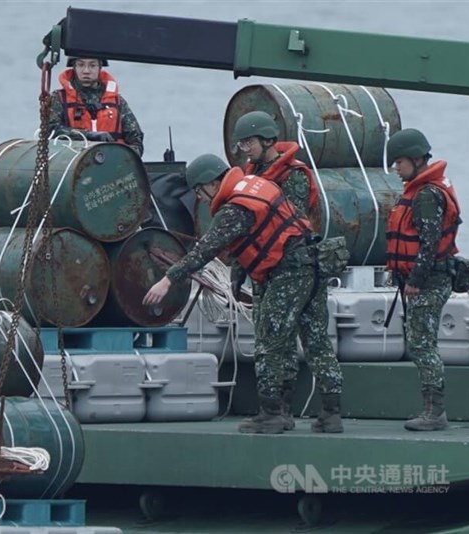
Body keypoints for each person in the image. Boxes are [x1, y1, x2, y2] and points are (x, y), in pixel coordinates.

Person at [142, 158, 344, 434]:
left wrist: (168, 280)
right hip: (312, 266)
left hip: (287, 274)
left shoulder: (235, 208)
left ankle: (272, 413)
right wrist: (238, 278)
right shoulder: (258, 186)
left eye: (200, 191)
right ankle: (331, 414)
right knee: (317, 342)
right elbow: (259, 236)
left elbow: (206, 249)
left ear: (214, 182)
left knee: (270, 344)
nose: (200, 198)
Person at [231, 111, 324, 430]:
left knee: (277, 340)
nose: (245, 149)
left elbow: (293, 228)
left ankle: (278, 409)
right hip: (261, 268)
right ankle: (277, 411)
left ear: (267, 140)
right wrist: (239, 267)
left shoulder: (293, 176)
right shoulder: (251, 175)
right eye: (241, 143)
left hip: (287, 267)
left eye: (249, 142)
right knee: (269, 338)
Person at [385, 128, 460, 431]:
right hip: (424, 278)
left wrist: (414, 279)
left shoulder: (427, 195)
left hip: (429, 280)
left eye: (399, 162)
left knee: (422, 344)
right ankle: (432, 408)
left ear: (416, 159)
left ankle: (434, 412)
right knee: (420, 342)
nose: (396, 168)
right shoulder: (422, 189)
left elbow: (429, 243)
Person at [48, 57, 144, 157]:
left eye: (92, 65)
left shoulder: (117, 101)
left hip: (111, 164)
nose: (86, 71)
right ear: (74, 67)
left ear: (100, 67)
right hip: (72, 163)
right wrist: (89, 135)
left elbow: (136, 140)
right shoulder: (59, 98)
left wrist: (121, 159)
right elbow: (51, 131)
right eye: (81, 65)